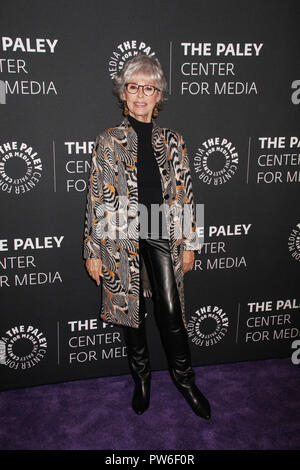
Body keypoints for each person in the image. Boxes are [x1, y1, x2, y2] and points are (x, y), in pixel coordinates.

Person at [83, 54, 210, 419]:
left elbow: (186, 193)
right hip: (120, 234)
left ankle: (185, 381)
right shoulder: (108, 140)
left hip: (162, 231)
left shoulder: (174, 140)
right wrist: (92, 250)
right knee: (131, 312)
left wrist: (190, 243)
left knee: (171, 312)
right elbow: (95, 197)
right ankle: (142, 380)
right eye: (134, 87)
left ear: (159, 96)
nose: (141, 95)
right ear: (124, 94)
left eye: (148, 88)